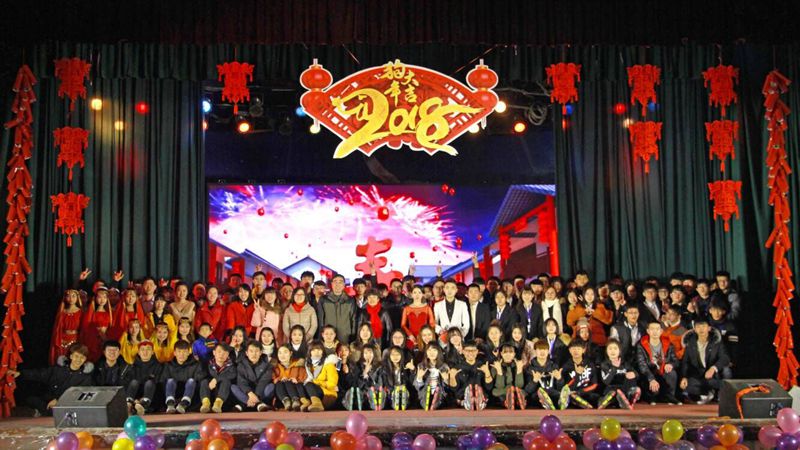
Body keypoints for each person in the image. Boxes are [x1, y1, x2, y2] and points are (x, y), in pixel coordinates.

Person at [10, 343, 93, 417]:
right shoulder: (58, 370)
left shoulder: (85, 377)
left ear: (85, 359)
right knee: (31, 400)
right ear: (71, 356)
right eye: (76, 356)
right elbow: (40, 374)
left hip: (67, 405)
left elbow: (78, 395)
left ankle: (44, 412)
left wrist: (58, 400)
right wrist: (20, 374)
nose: (78, 360)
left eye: (82, 357)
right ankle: (43, 411)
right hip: (49, 400)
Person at [679, 319, 730, 404]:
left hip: (713, 375)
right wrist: (684, 377)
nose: (701, 329)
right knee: (687, 386)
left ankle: (718, 393)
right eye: (698, 327)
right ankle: (707, 393)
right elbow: (685, 362)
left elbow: (725, 358)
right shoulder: (690, 343)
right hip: (697, 375)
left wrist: (713, 368)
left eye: (703, 326)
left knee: (725, 373)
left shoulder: (716, 342)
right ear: (695, 329)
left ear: (709, 328)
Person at [635, 321, 680, 404]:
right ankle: (652, 396)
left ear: (661, 331)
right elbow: (642, 365)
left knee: (672, 373)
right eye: (652, 329)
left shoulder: (668, 344)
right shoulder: (641, 345)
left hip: (663, 372)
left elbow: (676, 361)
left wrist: (671, 365)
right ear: (648, 331)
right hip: (650, 373)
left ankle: (670, 396)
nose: (655, 332)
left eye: (657, 329)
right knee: (654, 392)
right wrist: (651, 378)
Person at [160, 340, 205, 414]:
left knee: (191, 381)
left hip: (190, 396)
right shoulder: (168, 365)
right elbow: (163, 383)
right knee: (170, 381)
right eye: (179, 352)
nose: (182, 354)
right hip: (173, 394)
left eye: (184, 352)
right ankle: (170, 404)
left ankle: (184, 404)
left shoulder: (196, 364)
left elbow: (199, 383)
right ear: (174, 353)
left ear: (189, 352)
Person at [232, 339, 274, 412]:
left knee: (271, 387)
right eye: (251, 351)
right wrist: (250, 394)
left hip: (260, 392)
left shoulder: (267, 365)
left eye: (256, 351)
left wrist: (256, 395)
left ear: (260, 352)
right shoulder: (241, 365)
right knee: (233, 387)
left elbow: (263, 382)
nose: (254, 354)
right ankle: (258, 404)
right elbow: (241, 382)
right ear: (246, 353)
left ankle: (244, 405)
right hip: (247, 393)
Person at [598, 339, 640, 410]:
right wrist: (614, 368)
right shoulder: (604, 365)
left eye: (615, 348)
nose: (613, 351)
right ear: (606, 351)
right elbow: (606, 381)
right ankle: (603, 401)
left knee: (631, 386)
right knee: (613, 393)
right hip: (611, 390)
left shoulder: (625, 364)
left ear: (619, 351)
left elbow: (636, 374)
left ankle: (628, 400)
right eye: (610, 349)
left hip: (624, 391)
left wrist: (634, 374)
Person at [449, 341, 491, 411]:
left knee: (480, 392)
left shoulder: (483, 366)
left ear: (477, 351)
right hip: (463, 397)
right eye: (468, 351)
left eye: (473, 351)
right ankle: (467, 402)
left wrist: (487, 373)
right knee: (464, 394)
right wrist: (452, 377)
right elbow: (454, 389)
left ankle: (479, 401)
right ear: (463, 351)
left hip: (481, 396)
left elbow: (489, 387)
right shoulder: (457, 367)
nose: (471, 353)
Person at [524, 340, 564, 410]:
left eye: (545, 349)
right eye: (539, 349)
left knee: (557, 393)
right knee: (538, 395)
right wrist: (534, 381)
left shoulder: (554, 366)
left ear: (548, 351)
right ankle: (548, 402)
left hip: (553, 394)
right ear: (535, 351)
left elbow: (559, 388)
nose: (542, 352)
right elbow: (527, 391)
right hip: (537, 397)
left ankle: (560, 402)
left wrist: (559, 379)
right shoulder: (530, 368)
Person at [560, 340, 599, 409]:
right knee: (570, 397)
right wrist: (577, 375)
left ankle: (584, 404)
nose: (576, 351)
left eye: (578, 349)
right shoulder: (566, 366)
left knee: (595, 397)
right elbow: (566, 387)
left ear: (583, 350)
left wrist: (580, 392)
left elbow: (594, 384)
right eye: (573, 349)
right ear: (569, 350)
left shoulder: (590, 364)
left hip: (586, 393)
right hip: (572, 394)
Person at [317, 274, 356, 344]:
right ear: (331, 284)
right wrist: (321, 336)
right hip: (328, 336)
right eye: (335, 282)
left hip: (345, 336)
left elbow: (353, 319)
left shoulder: (350, 300)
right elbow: (321, 320)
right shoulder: (323, 299)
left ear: (344, 285)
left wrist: (353, 336)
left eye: (340, 282)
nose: (337, 284)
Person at [126, 341, 162, 415]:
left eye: (148, 349)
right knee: (134, 382)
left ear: (152, 352)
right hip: (135, 398)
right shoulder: (132, 366)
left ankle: (144, 405)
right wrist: (136, 400)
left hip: (152, 398)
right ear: (139, 352)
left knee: (150, 383)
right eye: (142, 349)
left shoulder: (158, 366)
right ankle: (128, 404)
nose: (145, 352)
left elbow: (159, 384)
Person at [344, 344, 384, 410]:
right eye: (365, 353)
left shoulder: (379, 366)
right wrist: (365, 372)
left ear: (374, 354)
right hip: (362, 392)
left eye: (370, 352)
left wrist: (370, 374)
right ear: (362, 354)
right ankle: (352, 403)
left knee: (376, 392)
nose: (368, 355)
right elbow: (357, 384)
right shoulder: (357, 365)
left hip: (375, 391)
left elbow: (380, 383)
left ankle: (375, 403)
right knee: (355, 392)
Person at [302, 341, 339, 411]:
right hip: (313, 391)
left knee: (309, 384)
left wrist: (316, 382)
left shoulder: (328, 364)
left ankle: (317, 404)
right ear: (310, 352)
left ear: (323, 351)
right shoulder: (308, 366)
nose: (316, 352)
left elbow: (332, 384)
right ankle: (307, 403)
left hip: (327, 395)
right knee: (300, 386)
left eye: (319, 350)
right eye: (313, 350)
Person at [199, 343, 236, 413]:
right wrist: (211, 381)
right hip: (210, 392)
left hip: (224, 397)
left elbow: (232, 375)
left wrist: (216, 379)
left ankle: (218, 404)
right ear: (214, 352)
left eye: (224, 353)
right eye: (219, 352)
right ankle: (205, 404)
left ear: (228, 354)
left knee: (226, 381)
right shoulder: (206, 364)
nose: (221, 355)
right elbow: (202, 376)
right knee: (204, 381)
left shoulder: (232, 365)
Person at [413, 343, 450, 411]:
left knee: (440, 394)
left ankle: (436, 401)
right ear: (426, 353)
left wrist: (446, 379)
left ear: (439, 353)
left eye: (434, 350)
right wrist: (419, 378)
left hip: (440, 394)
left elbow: (447, 388)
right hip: (425, 394)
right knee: (424, 395)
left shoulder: (444, 366)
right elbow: (417, 387)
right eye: (429, 350)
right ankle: (428, 402)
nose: (431, 353)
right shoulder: (421, 366)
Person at [50, 289, 83, 365]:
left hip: (75, 339)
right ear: (65, 298)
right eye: (68, 296)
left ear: (77, 298)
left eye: (73, 296)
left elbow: (83, 329)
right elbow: (58, 328)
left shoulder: (81, 312)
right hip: (63, 340)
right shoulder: (62, 312)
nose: (71, 298)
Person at [81, 287, 113, 362]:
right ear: (95, 298)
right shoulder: (91, 313)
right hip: (94, 340)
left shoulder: (109, 313)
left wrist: (106, 337)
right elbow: (87, 327)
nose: (102, 300)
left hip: (105, 339)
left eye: (104, 297)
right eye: (99, 297)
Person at [490, 344, 526, 410]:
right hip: (502, 392)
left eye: (511, 352)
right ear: (501, 354)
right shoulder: (496, 366)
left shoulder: (519, 365)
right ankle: (509, 401)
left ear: (514, 354)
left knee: (522, 392)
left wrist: (519, 370)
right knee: (495, 392)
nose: (508, 355)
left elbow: (519, 385)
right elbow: (499, 386)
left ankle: (517, 401)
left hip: (516, 390)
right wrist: (499, 371)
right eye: (505, 352)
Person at [272, 344, 307, 411]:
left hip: (295, 391)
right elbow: (272, 379)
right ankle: (286, 401)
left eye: (285, 352)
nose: (282, 355)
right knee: (279, 383)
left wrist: (296, 380)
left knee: (288, 382)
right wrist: (279, 379)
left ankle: (295, 400)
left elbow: (304, 378)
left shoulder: (298, 365)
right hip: (281, 394)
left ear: (290, 353)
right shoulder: (275, 367)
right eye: (280, 353)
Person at [383, 345, 415, 411]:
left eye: (397, 354)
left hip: (404, 389)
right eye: (393, 355)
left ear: (401, 356)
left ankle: (404, 402)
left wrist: (412, 370)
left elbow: (411, 382)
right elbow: (386, 382)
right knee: (393, 394)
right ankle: (395, 402)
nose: (395, 357)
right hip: (392, 391)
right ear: (389, 356)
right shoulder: (385, 368)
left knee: (404, 392)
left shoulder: (406, 367)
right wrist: (392, 389)